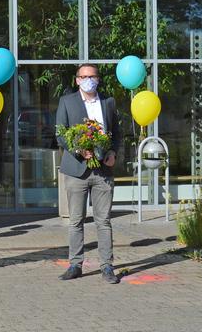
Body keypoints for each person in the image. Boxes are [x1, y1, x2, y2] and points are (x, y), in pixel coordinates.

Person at [55, 64, 121, 284]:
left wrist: (113, 152)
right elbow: (61, 134)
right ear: (77, 80)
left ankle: (107, 266)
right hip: (76, 170)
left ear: (98, 79)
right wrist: (78, 150)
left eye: (91, 76)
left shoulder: (108, 103)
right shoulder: (67, 102)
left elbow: (117, 134)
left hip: (103, 170)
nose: (88, 80)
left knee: (104, 221)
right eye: (84, 77)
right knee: (76, 221)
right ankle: (75, 264)